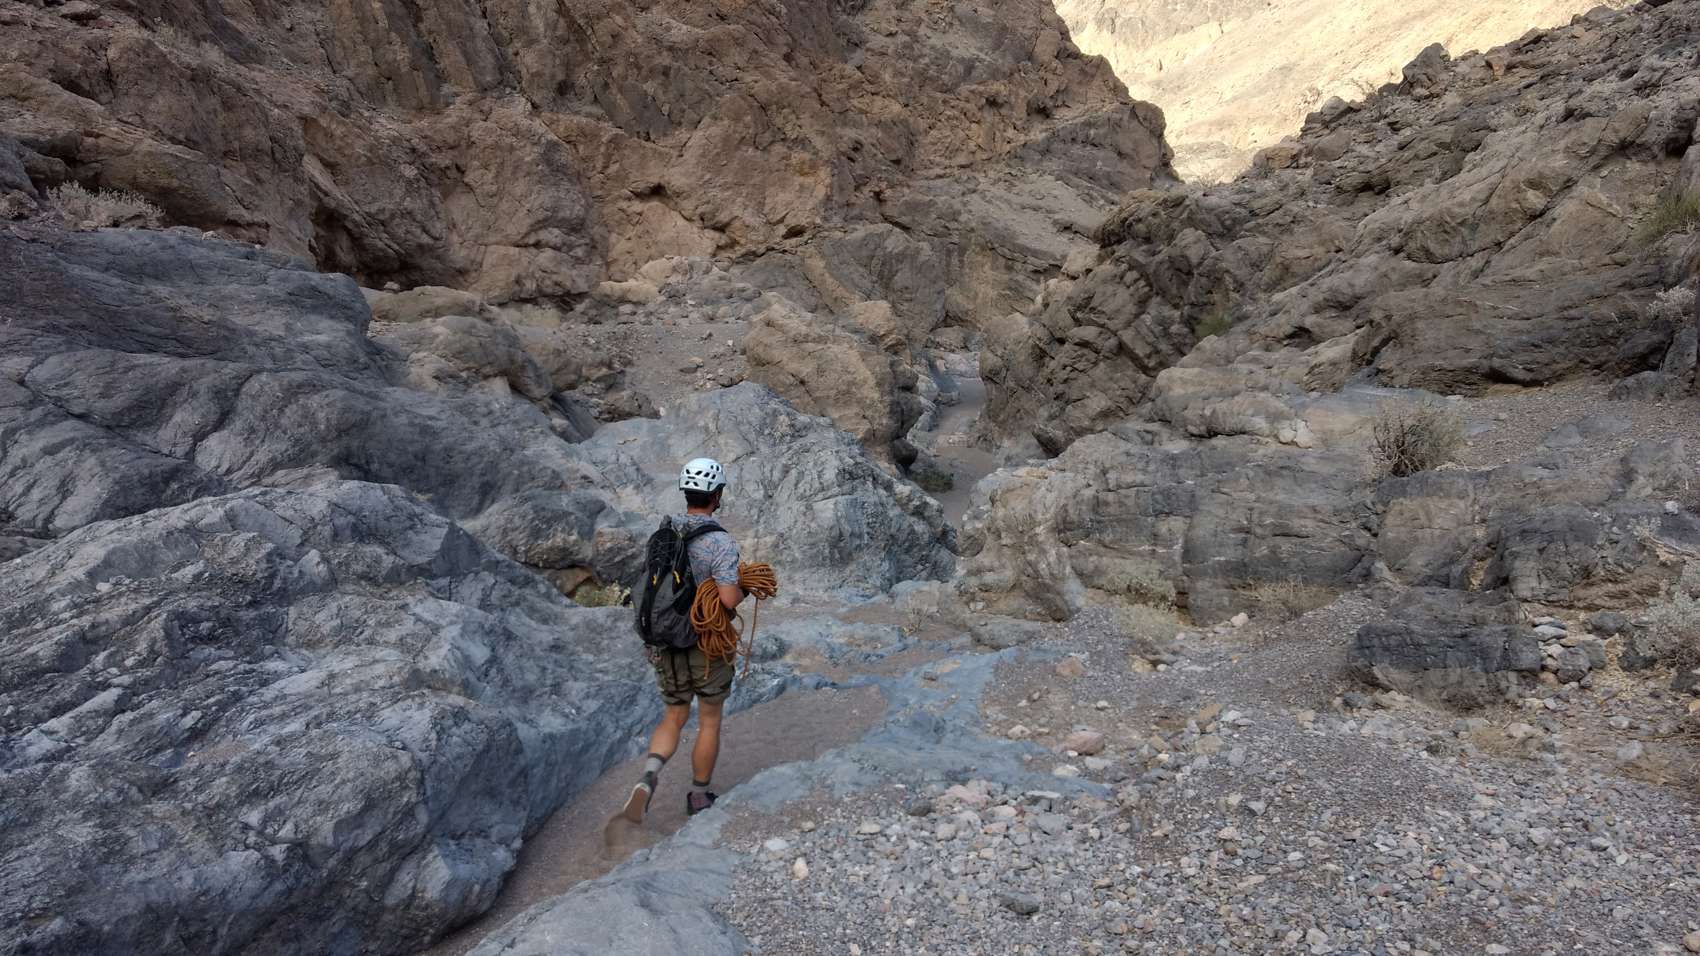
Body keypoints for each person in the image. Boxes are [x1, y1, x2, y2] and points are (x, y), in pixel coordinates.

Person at [623, 457, 746, 822]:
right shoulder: (720, 542)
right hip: (705, 644)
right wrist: (744, 589)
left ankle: (647, 778)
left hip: (665, 641)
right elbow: (727, 600)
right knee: (708, 720)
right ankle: (699, 795)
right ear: (717, 495)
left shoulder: (664, 532)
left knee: (674, 715)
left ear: (685, 492)